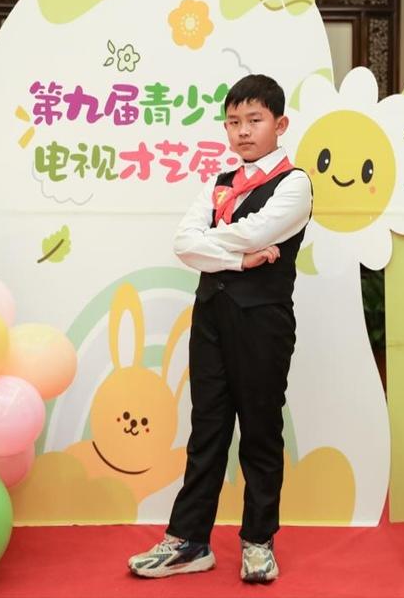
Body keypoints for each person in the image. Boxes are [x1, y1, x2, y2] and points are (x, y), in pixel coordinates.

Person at [128, 74, 312, 583]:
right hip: (210, 314)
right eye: (233, 122)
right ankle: (189, 541)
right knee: (206, 427)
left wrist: (217, 242)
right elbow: (183, 244)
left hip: (263, 321)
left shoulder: (294, 183)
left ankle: (258, 541)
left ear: (280, 124)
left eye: (254, 120)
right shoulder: (219, 183)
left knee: (260, 430)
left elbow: (256, 231)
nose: (243, 131)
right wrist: (238, 259)